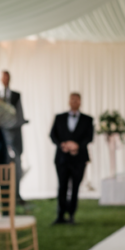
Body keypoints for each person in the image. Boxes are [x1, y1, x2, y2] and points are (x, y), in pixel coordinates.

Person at [49, 92, 93, 225]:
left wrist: (77, 145)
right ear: (69, 101)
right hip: (62, 158)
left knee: (75, 187)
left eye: (77, 100)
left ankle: (72, 215)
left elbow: (89, 137)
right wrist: (62, 144)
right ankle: (60, 215)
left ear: (80, 102)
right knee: (62, 186)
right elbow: (52, 135)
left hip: (79, 159)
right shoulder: (59, 117)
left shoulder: (87, 119)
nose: (74, 102)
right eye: (72, 99)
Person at [0, 70, 27, 205]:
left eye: (7, 77)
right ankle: (5, 195)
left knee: (16, 165)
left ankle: (17, 194)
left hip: (15, 136)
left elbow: (19, 115)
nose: (5, 80)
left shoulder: (16, 95)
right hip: (1, 138)